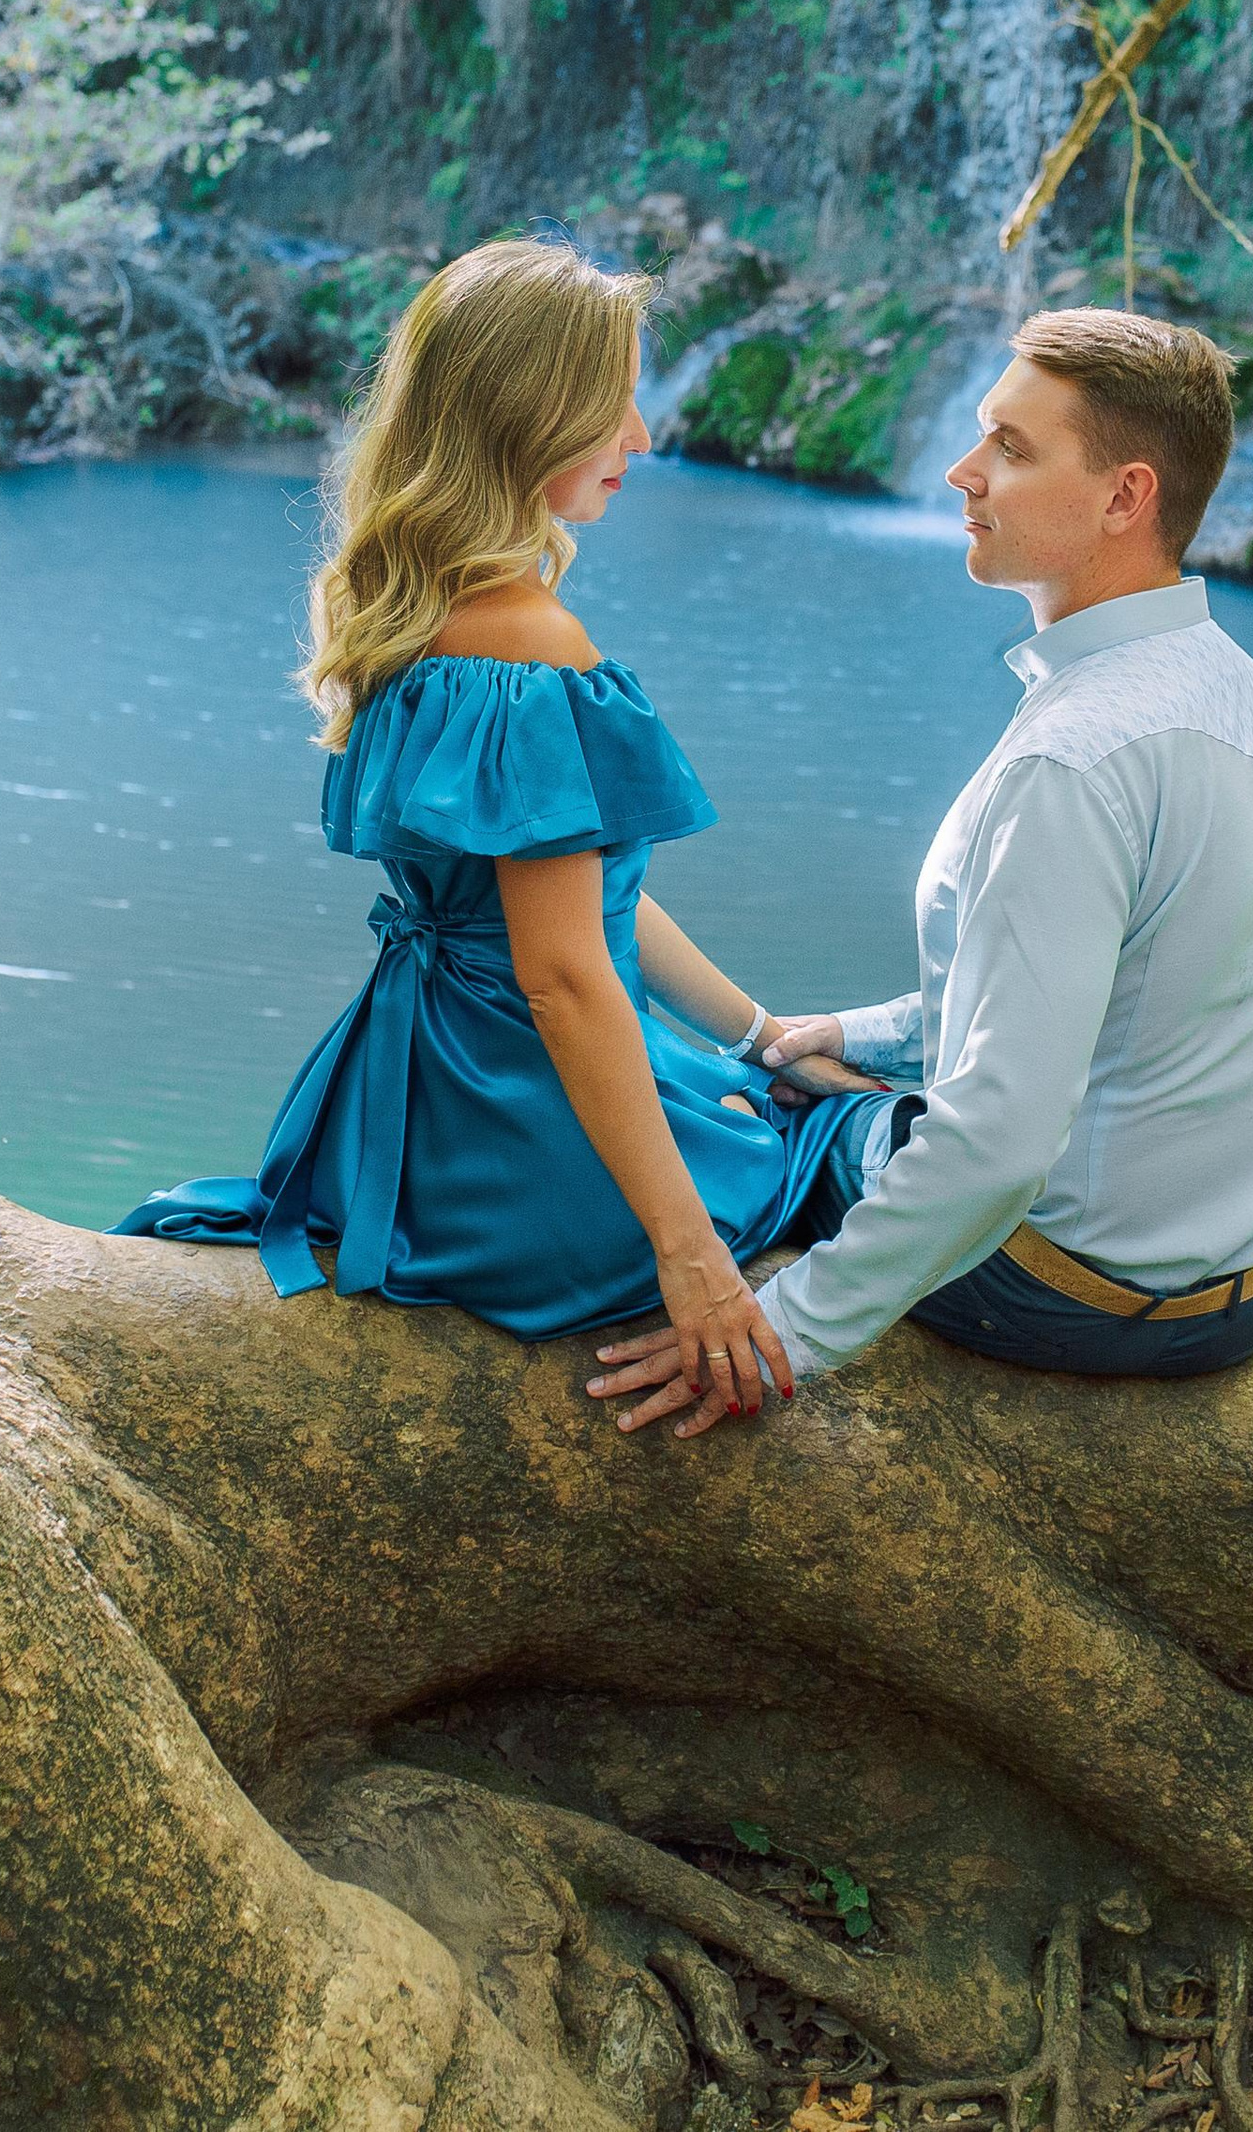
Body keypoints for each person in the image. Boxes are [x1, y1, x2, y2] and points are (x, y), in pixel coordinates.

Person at [110, 236, 878, 1432]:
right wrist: (687, 1257)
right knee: (843, 1138)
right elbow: (566, 975)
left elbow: (579, 903)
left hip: (420, 1095)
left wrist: (764, 1032)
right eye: (613, 401)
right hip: (524, 1122)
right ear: (530, 412)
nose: (642, 435)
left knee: (770, 1086)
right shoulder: (529, 644)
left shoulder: (410, 610)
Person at [588, 306, 1253, 1431]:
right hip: (1247, 1284)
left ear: (1127, 497)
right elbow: (1132, 999)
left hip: (1076, 1290)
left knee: (738, 1110)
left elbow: (1001, 1136)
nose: (961, 470)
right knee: (821, 1074)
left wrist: (782, 1332)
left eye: (1011, 450)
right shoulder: (1231, 687)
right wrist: (866, 1035)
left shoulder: (1071, 760)